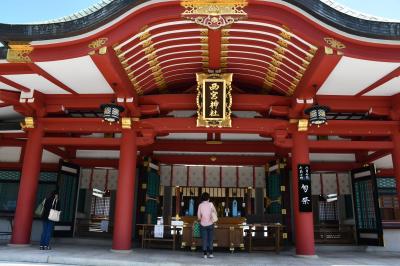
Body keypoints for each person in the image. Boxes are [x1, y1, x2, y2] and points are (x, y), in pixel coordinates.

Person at [197, 192, 217, 259]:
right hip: (211, 224)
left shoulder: (200, 205)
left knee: (204, 239)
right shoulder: (211, 204)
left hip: (203, 224)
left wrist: (201, 219)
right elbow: (215, 212)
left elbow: (199, 216)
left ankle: (205, 254)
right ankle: (211, 254)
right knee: (210, 239)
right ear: (208, 198)